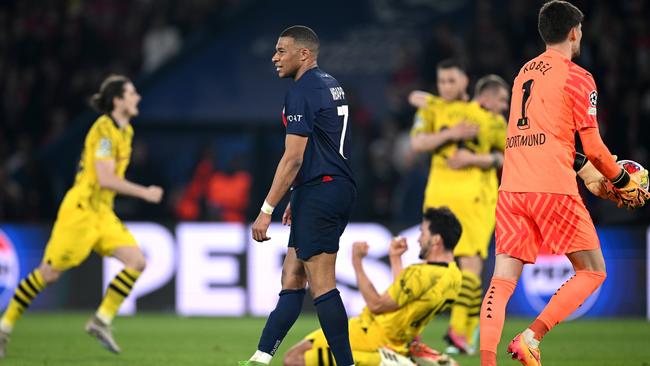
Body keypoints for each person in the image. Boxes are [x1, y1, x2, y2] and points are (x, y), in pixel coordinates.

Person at [479, 2, 650, 366]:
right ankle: (530, 337)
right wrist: (621, 180)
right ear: (574, 32)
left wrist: (586, 171)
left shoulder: (523, 73)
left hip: (512, 188)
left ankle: (487, 362)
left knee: (501, 281)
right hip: (552, 188)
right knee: (593, 270)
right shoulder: (578, 76)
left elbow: (541, 138)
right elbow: (595, 148)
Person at [0, 75, 164, 357]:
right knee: (48, 274)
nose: (137, 97)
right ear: (118, 100)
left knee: (136, 261)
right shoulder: (103, 130)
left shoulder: (126, 131)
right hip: (80, 212)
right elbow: (105, 178)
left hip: (102, 213)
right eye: (132, 93)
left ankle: (101, 321)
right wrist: (144, 192)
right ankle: (5, 326)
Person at [241, 25, 356, 366]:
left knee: (322, 282)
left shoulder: (302, 90)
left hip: (323, 188)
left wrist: (266, 209)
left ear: (303, 54)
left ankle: (347, 364)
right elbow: (323, 145)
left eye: (281, 51)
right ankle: (261, 357)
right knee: (292, 275)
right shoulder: (329, 83)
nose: (274, 57)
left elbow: (293, 157)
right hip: (324, 187)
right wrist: (299, 194)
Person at [410, 64, 509, 354]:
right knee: (432, 264)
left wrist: (474, 160)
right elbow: (417, 141)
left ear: (466, 81)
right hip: (439, 195)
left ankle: (459, 332)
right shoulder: (435, 109)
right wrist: (450, 132)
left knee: (469, 264)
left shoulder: (489, 118)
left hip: (475, 197)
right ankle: (420, 331)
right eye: (440, 81)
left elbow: (508, 156)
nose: (445, 86)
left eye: (451, 80)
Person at [283, 207, 463, 366]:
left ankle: (395, 363)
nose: (419, 240)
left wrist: (357, 262)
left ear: (436, 239)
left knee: (294, 360)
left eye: (423, 233)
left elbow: (377, 305)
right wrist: (395, 258)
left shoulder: (421, 273)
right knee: (297, 354)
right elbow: (406, 299)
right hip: (388, 336)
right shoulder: (454, 276)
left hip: (372, 339)